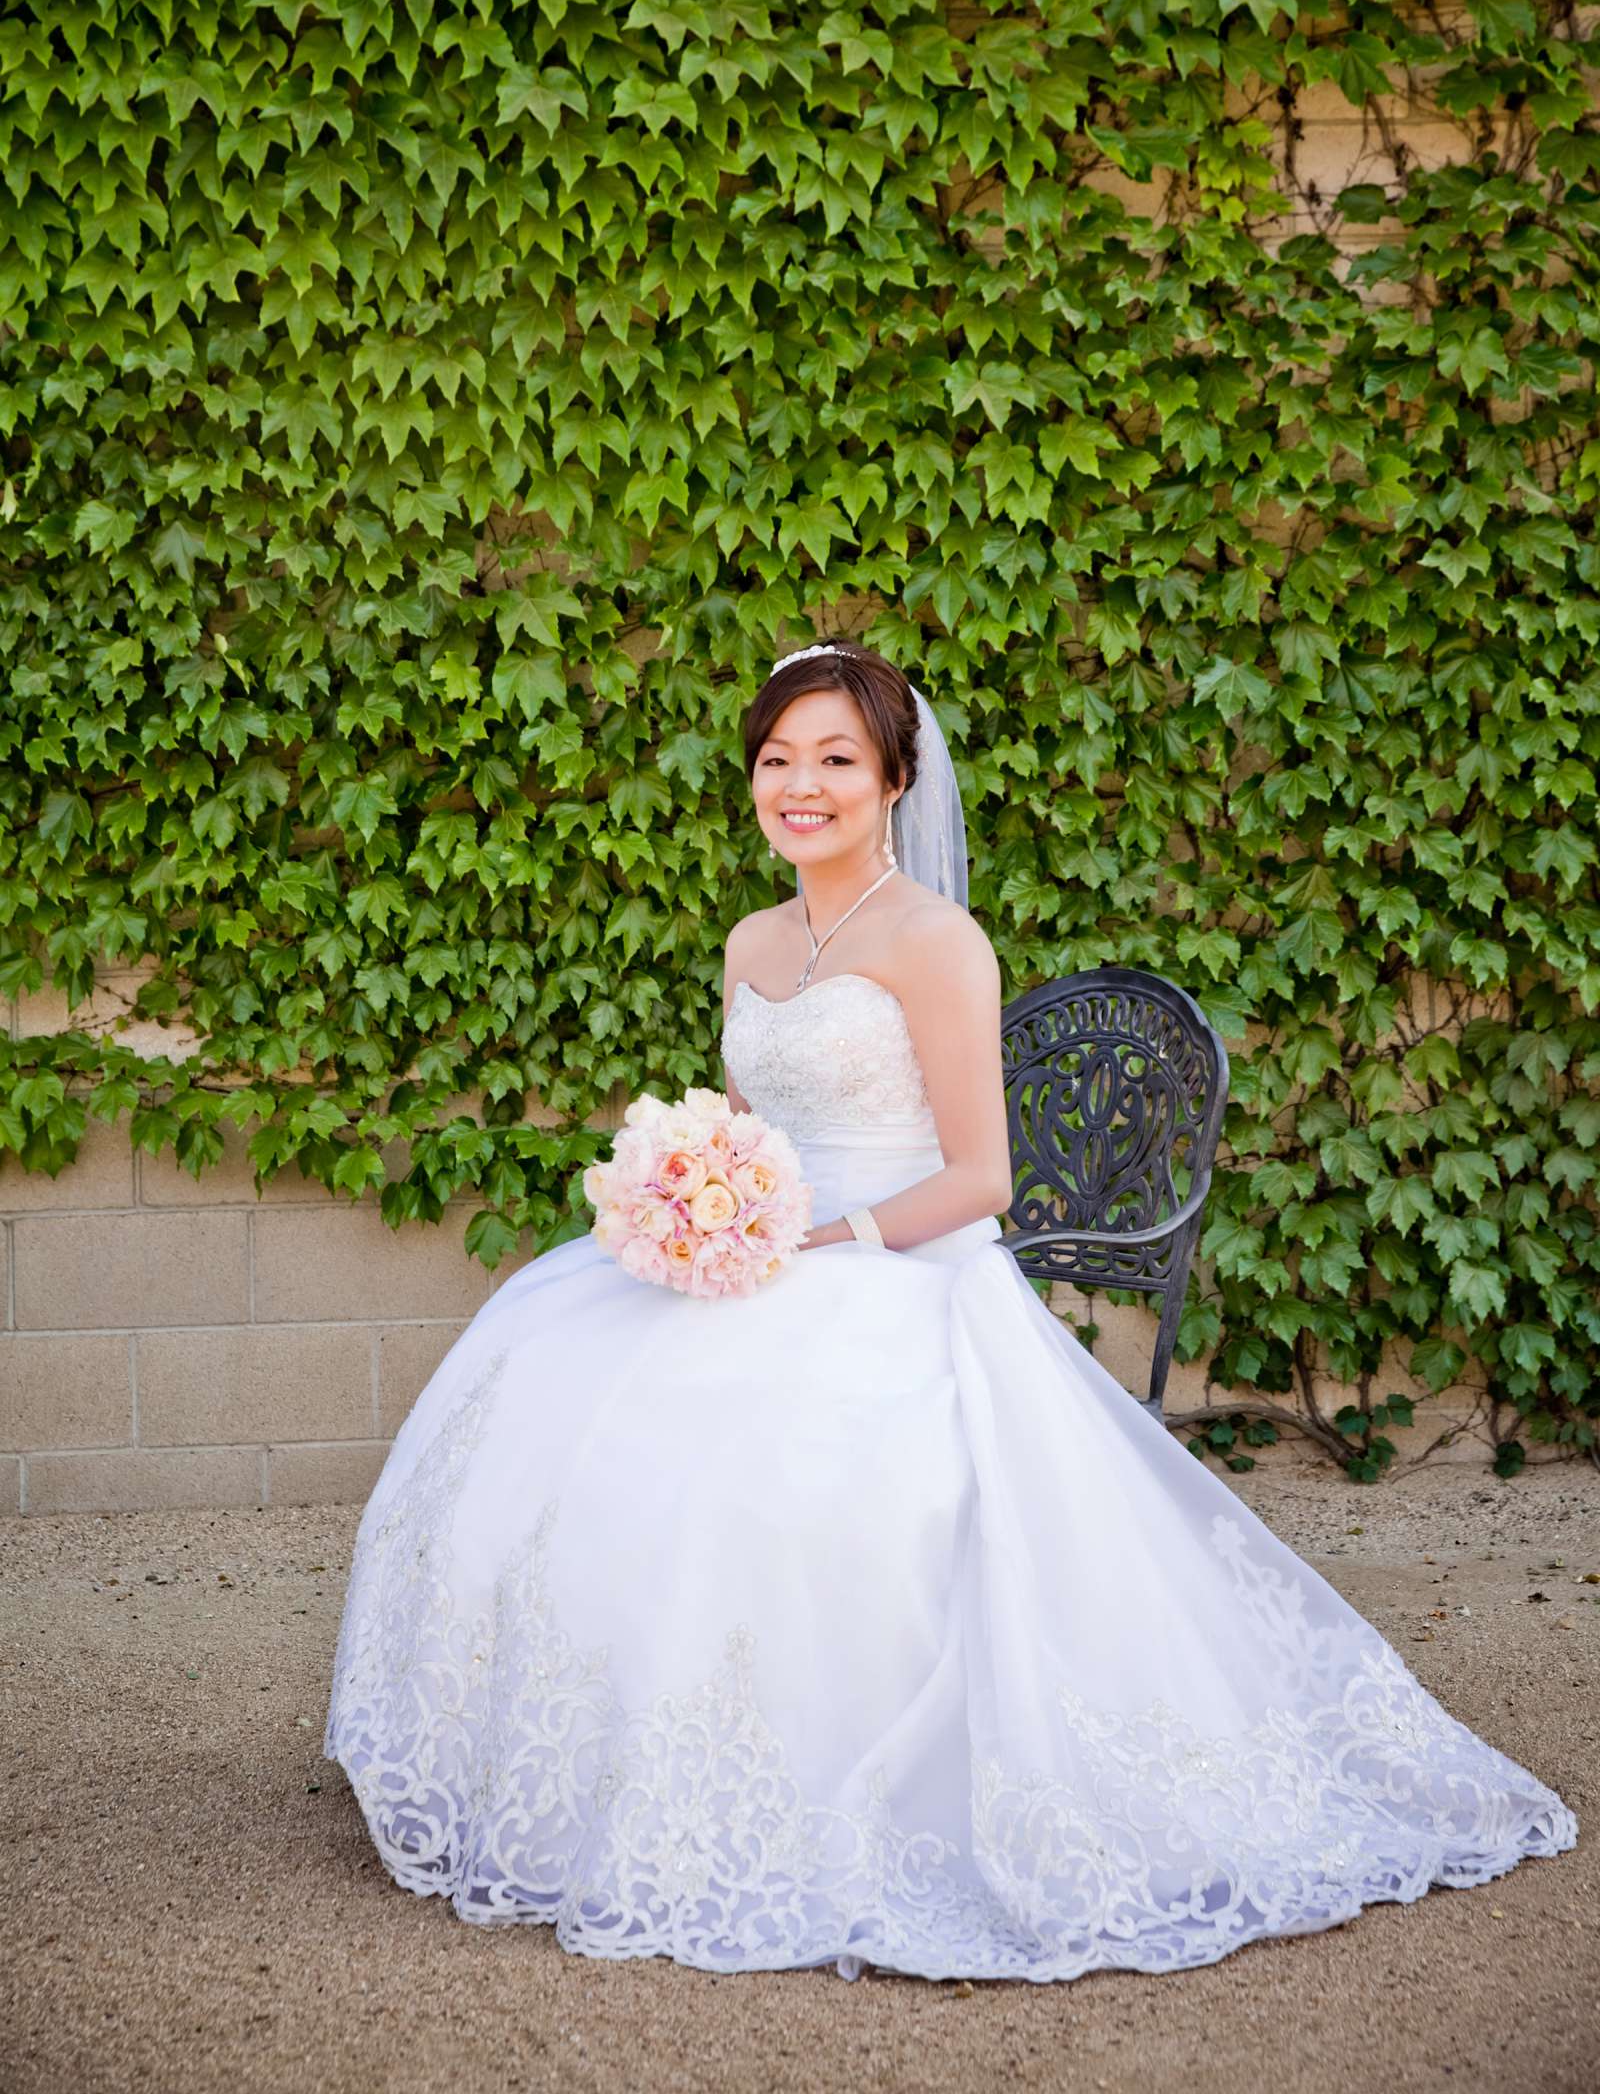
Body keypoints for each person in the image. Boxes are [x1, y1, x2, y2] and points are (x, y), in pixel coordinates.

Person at [322, 638, 1578, 1983]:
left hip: (899, 1265)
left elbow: (980, 1176)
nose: (799, 786)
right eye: (776, 760)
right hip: (773, 1248)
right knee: (558, 1384)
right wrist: (700, 1201)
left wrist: (824, 1240)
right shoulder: (753, 938)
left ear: (896, 777)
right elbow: (748, 1131)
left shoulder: (936, 941)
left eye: (835, 761)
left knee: (779, 1450)